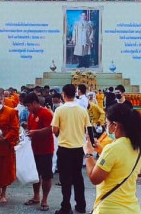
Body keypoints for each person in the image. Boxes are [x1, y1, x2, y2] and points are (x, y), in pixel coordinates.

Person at [83, 103, 141, 214]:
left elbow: (94, 178)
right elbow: (119, 165)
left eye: (107, 123)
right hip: (132, 208)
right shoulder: (137, 148)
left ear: (115, 125)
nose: (107, 127)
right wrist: (102, 151)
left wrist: (88, 154)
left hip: (110, 208)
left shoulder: (113, 148)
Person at [51, 84, 91, 214]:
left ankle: (66, 206)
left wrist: (60, 134)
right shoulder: (82, 110)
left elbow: (55, 129)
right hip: (79, 148)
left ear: (63, 94)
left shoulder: (60, 110)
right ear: (75, 94)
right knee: (78, 177)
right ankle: (81, 205)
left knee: (65, 179)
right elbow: (88, 128)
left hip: (64, 148)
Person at [23, 93, 54, 212]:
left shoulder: (45, 113)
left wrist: (35, 132)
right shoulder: (31, 114)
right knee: (35, 175)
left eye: (28, 106)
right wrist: (28, 130)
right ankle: (36, 196)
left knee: (46, 176)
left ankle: (44, 199)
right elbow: (30, 128)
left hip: (45, 150)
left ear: (35, 103)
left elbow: (50, 129)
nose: (27, 108)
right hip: (34, 149)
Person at [0, 92, 20, 204]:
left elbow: (15, 129)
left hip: (6, 144)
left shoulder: (11, 112)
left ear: (3, 101)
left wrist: (5, 138)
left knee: (4, 169)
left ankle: (3, 194)